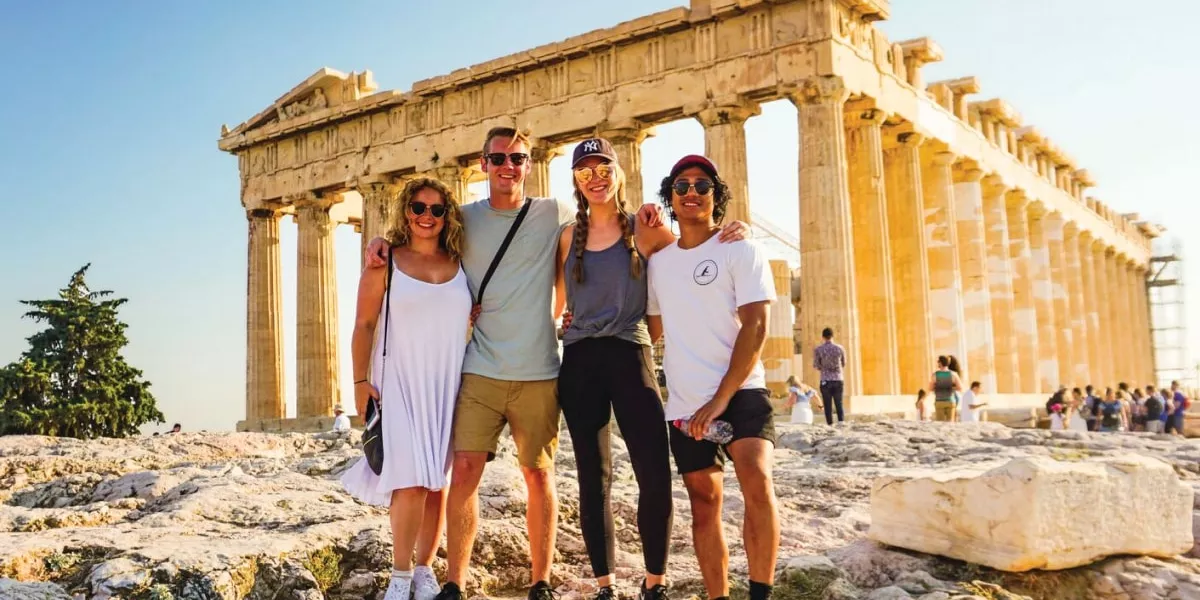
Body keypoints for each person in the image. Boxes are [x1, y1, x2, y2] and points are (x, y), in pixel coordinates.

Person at [362, 128, 669, 600]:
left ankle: (541, 581)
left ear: (530, 164)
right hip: (480, 367)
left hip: (540, 369)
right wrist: (381, 242)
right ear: (483, 163)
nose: (509, 166)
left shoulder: (555, 214)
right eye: (499, 158)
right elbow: (420, 235)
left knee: (539, 475)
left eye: (519, 158)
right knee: (463, 471)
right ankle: (453, 583)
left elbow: (598, 228)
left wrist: (705, 228)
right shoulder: (459, 219)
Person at [554, 138, 747, 600]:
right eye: (585, 172)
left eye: (603, 169)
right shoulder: (565, 237)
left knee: (654, 472)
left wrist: (731, 232)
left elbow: (693, 253)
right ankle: (604, 584)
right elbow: (551, 300)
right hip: (580, 360)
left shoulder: (645, 230)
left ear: (618, 175)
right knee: (592, 475)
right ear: (577, 182)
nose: (595, 178)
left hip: (630, 354)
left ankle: (654, 582)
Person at [646, 154, 780, 600]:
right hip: (685, 400)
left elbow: (757, 326)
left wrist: (721, 399)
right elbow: (652, 328)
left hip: (740, 390)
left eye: (702, 185)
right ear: (670, 197)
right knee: (705, 506)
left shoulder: (741, 248)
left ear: (715, 196)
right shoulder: (659, 263)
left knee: (757, 481)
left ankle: (760, 593)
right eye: (681, 186)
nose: (690, 193)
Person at [341, 177, 471, 600]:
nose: (427, 217)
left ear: (447, 215)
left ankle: (423, 569)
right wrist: (360, 383)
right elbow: (362, 325)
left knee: (437, 481)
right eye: (418, 208)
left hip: (448, 381)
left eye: (437, 209)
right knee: (410, 480)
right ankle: (399, 576)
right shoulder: (385, 263)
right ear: (406, 212)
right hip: (397, 380)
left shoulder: (463, 262)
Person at [811, 328, 846, 425]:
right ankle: (841, 422)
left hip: (825, 379)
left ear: (823, 337)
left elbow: (816, 365)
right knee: (839, 402)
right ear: (832, 335)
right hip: (838, 378)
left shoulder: (819, 349)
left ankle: (830, 424)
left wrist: (824, 368)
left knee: (827, 404)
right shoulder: (840, 348)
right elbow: (843, 363)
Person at [928, 356, 962, 422]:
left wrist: (937, 387)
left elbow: (930, 388)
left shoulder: (935, 375)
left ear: (940, 363)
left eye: (938, 362)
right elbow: (960, 388)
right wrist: (951, 386)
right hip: (950, 400)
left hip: (939, 401)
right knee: (950, 422)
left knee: (940, 423)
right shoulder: (954, 374)